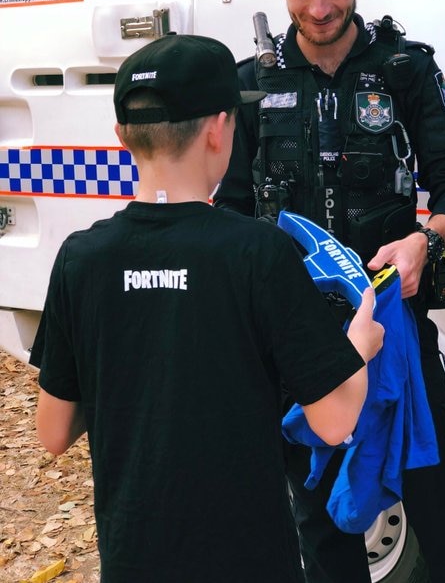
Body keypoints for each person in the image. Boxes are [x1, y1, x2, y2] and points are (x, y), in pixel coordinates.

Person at [30, 33, 384, 583]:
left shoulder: (82, 258)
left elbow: (53, 432)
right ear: (221, 129)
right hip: (248, 560)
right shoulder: (257, 252)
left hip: (133, 560)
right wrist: (357, 347)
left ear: (122, 135)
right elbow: (333, 421)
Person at [213, 0, 445, 583]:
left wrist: (426, 238)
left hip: (397, 333)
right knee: (322, 536)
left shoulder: (406, 70)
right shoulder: (251, 85)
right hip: (299, 348)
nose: (317, 8)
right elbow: (232, 210)